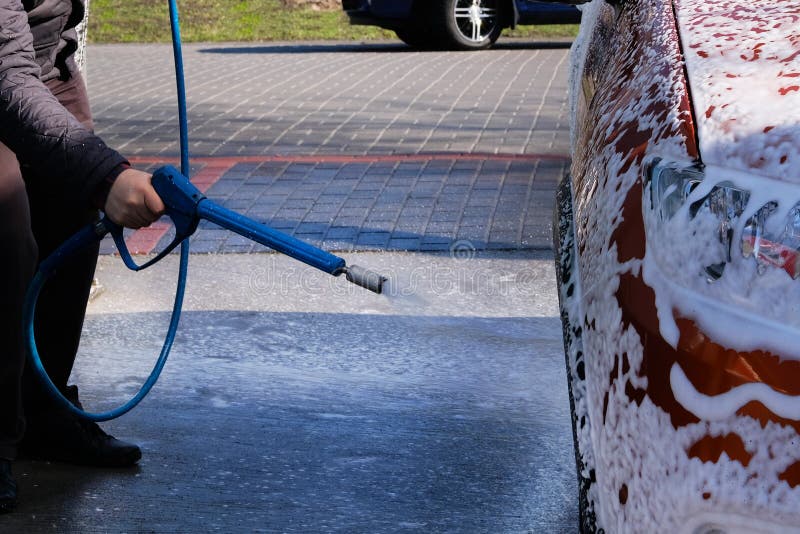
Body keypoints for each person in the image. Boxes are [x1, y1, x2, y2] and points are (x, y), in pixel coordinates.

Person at [0, 0, 165, 513]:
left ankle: (43, 412)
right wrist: (104, 175)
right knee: (6, 226)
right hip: (6, 73)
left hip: (43, 62)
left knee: (72, 208)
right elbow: (4, 76)